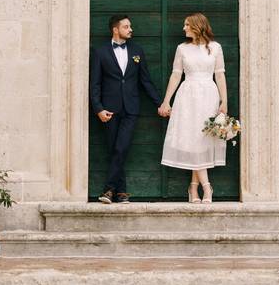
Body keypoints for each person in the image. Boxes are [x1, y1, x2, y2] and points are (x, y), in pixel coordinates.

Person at [89, 14, 163, 204]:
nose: (131, 29)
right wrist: (98, 108)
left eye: (130, 26)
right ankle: (121, 192)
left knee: (121, 148)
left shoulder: (137, 50)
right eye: (126, 27)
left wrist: (160, 103)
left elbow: (145, 81)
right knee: (115, 149)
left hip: (131, 108)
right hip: (109, 110)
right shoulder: (100, 51)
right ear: (115, 29)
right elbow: (95, 83)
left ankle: (108, 190)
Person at [158, 13, 228, 203]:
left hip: (208, 95)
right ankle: (206, 188)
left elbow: (220, 76)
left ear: (197, 26)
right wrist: (166, 101)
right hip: (187, 96)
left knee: (202, 141)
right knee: (192, 140)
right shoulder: (182, 48)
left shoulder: (215, 48)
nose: (183, 28)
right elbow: (175, 75)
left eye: (187, 25)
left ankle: (194, 187)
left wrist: (224, 102)